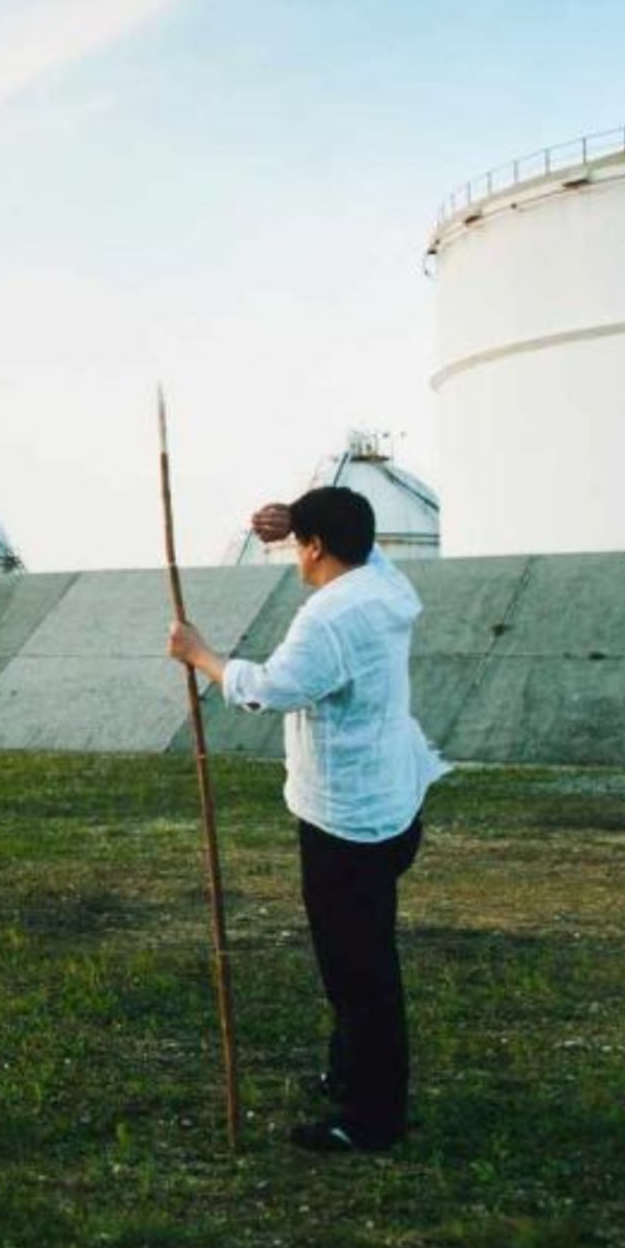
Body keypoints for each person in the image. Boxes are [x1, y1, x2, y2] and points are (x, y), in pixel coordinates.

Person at [167, 486, 448, 1153]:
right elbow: (363, 548)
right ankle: (354, 1071)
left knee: (358, 968)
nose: (295, 551)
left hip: (346, 820)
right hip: (394, 800)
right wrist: (308, 520)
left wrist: (199, 655)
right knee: (364, 955)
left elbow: (268, 688)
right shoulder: (386, 587)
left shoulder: (329, 616)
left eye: (300, 540)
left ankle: (371, 1116)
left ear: (318, 547)